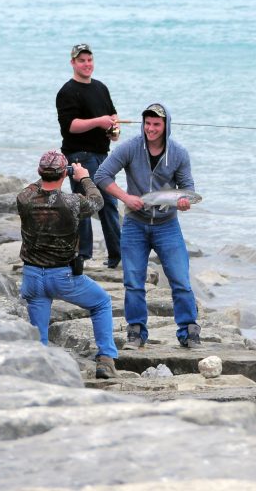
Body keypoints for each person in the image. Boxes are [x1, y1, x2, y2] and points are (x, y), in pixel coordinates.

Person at [94, 103, 200, 349]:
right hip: (134, 223)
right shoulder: (130, 147)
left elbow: (188, 189)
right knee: (133, 282)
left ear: (166, 126)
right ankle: (136, 332)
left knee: (181, 281)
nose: (150, 129)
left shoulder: (179, 153)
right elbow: (102, 175)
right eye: (147, 124)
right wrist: (125, 197)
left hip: (167, 225)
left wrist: (184, 202)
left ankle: (189, 331)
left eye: (156, 124)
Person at [16, 150, 119, 380]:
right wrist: (83, 177)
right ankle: (106, 360)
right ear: (64, 174)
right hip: (63, 276)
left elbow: (36, 186)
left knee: (39, 335)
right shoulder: (72, 203)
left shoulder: (24, 198)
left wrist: (53, 172)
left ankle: (41, 373)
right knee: (102, 302)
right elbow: (98, 201)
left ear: (39, 173)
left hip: (32, 276)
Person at [55, 43, 122, 269]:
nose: (87, 64)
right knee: (88, 204)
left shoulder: (101, 88)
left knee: (108, 204)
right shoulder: (67, 91)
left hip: (104, 155)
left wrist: (113, 128)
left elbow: (112, 115)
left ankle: (115, 255)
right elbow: (70, 126)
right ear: (73, 63)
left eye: (89, 60)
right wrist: (99, 121)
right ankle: (84, 255)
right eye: (81, 60)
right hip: (79, 156)